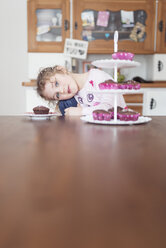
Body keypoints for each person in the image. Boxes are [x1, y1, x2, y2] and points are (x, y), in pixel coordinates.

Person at [36, 65, 126, 116]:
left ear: (61, 70)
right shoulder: (76, 96)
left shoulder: (98, 77)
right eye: (57, 95)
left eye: (56, 83)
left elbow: (112, 108)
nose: (62, 91)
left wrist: (82, 111)